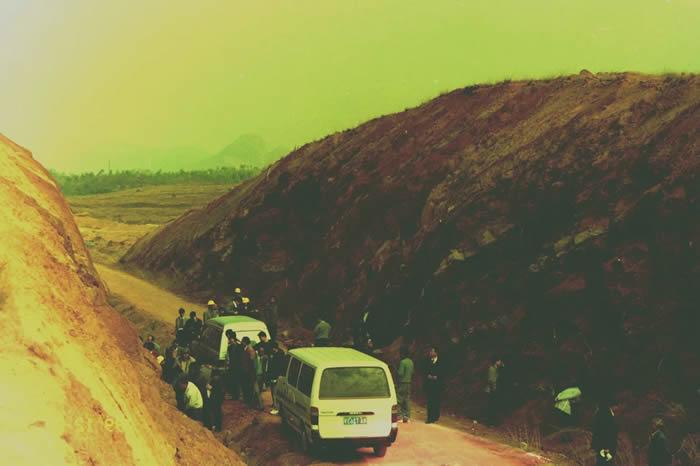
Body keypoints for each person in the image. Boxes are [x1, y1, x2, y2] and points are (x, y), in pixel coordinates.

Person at [591, 399, 618, 465]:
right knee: (606, 461)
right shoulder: (606, 415)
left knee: (603, 461)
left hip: (603, 447)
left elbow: (596, 432)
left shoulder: (600, 414)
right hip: (605, 447)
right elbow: (611, 432)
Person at [424, 346, 443, 424]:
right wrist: (427, 375)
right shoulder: (428, 361)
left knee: (436, 401)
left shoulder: (441, 362)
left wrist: (437, 377)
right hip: (429, 384)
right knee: (429, 401)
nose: (430, 352)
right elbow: (424, 370)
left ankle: (435, 416)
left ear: (436, 353)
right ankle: (429, 418)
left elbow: (443, 372)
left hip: (437, 385)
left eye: (432, 351)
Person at [396, 346, 414, 423]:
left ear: (402, 354)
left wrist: (396, 371)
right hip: (409, 383)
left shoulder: (402, 362)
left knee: (399, 400)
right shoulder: (411, 362)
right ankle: (407, 417)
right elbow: (412, 372)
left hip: (402, 383)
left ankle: (400, 417)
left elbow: (400, 373)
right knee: (407, 400)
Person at [485, 356, 504, 425]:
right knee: (490, 405)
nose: (500, 362)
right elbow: (491, 380)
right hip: (490, 390)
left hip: (494, 389)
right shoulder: (492, 368)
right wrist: (493, 389)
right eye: (499, 361)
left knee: (492, 406)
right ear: (496, 362)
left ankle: (490, 421)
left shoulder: (497, 369)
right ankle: (488, 421)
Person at [267, 344, 285, 415]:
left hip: (276, 376)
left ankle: (276, 408)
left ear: (275, 348)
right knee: (273, 392)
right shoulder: (278, 353)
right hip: (273, 376)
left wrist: (276, 377)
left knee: (275, 392)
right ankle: (275, 404)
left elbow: (278, 367)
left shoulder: (279, 356)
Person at [225, 329, 242, 400]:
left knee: (237, 381)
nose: (229, 340)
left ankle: (238, 395)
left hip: (236, 366)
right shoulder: (232, 346)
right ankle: (236, 395)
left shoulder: (236, 346)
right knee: (235, 381)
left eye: (230, 339)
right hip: (234, 366)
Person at [240, 336, 256, 406]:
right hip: (246, 371)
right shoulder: (246, 348)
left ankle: (249, 402)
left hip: (248, 372)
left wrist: (250, 372)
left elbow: (252, 361)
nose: (241, 343)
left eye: (242, 341)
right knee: (246, 387)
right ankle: (247, 401)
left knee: (249, 388)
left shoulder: (250, 349)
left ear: (245, 342)